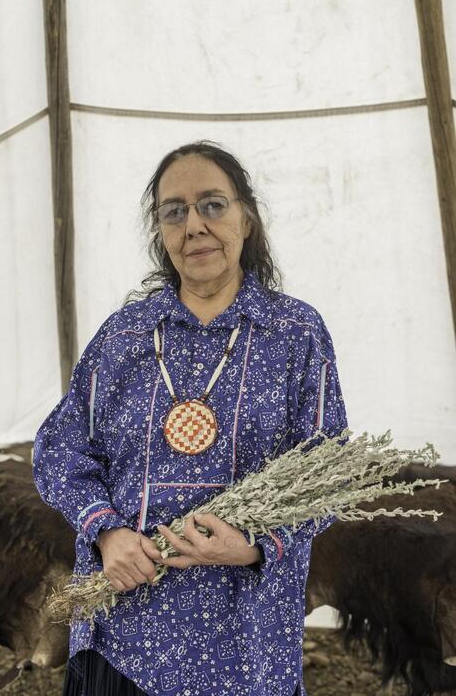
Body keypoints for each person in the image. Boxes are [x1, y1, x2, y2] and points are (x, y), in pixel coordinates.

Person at [33, 140, 348, 696]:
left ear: (246, 218)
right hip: (127, 635)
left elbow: (328, 472)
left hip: (245, 642)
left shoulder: (296, 334)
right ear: (161, 231)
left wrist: (254, 545)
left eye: (212, 204)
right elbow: (60, 448)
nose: (194, 225)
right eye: (174, 211)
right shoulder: (124, 336)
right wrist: (106, 532)